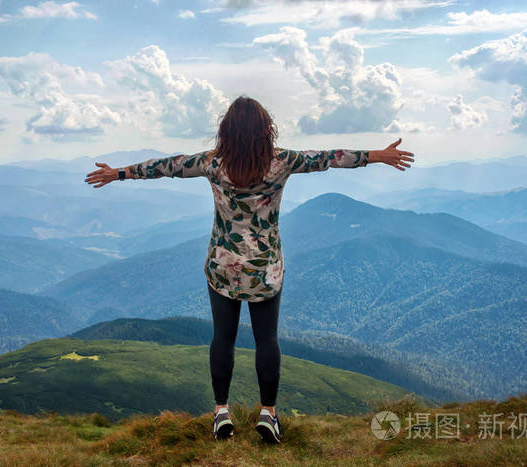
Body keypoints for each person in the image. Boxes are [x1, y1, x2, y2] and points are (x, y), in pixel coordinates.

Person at [84, 96, 414, 443]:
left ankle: (221, 412)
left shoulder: (212, 164)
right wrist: (379, 155)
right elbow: (330, 158)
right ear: (264, 130)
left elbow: (165, 166)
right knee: (266, 339)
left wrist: (118, 173)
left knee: (222, 339)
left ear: (226, 131)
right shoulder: (281, 162)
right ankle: (268, 413)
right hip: (265, 270)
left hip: (222, 266)